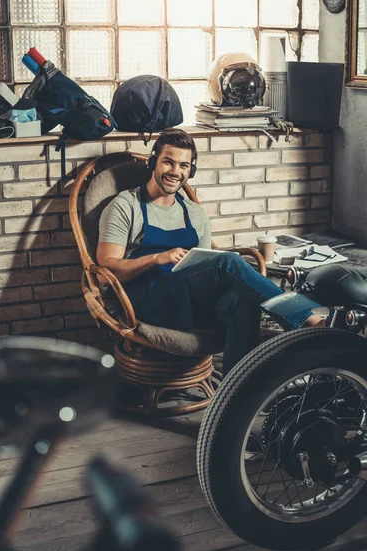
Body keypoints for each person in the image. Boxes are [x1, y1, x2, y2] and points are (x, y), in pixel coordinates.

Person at [96, 128, 323, 376]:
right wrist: (156, 258)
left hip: (188, 303)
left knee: (243, 301)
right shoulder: (125, 205)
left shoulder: (195, 213)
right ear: (153, 162)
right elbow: (105, 271)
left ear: (190, 170)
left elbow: (204, 272)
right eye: (168, 162)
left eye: (183, 165)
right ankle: (305, 321)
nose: (175, 172)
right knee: (226, 262)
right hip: (147, 302)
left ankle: (234, 393)